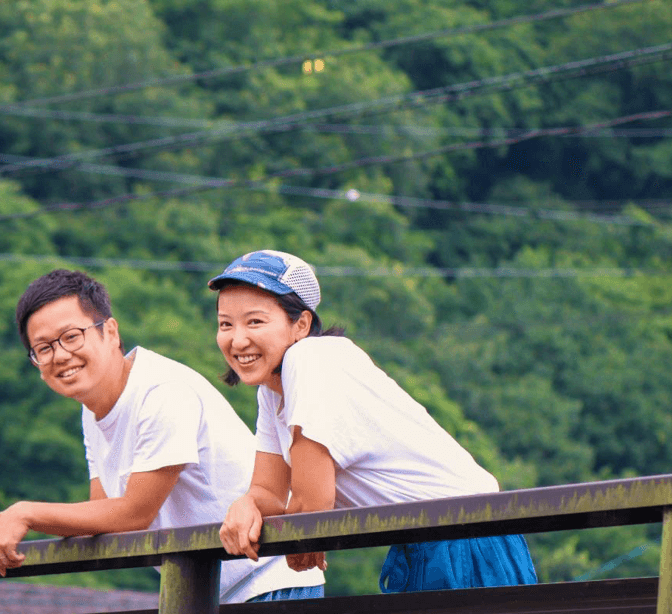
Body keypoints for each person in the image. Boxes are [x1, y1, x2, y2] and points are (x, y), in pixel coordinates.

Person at [0, 268, 324, 603]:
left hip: (268, 582)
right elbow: (101, 515)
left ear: (110, 332)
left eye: (71, 337)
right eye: (44, 348)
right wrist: (9, 524)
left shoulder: (161, 390)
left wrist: (26, 514)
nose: (61, 355)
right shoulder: (94, 410)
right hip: (204, 595)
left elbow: (133, 515)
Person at [211, 250, 537, 592]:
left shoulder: (311, 360)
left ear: (301, 325)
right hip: (423, 540)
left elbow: (311, 505)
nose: (237, 339)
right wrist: (245, 504)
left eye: (255, 322)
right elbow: (269, 493)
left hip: (466, 536)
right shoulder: (272, 391)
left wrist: (299, 527)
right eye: (225, 324)